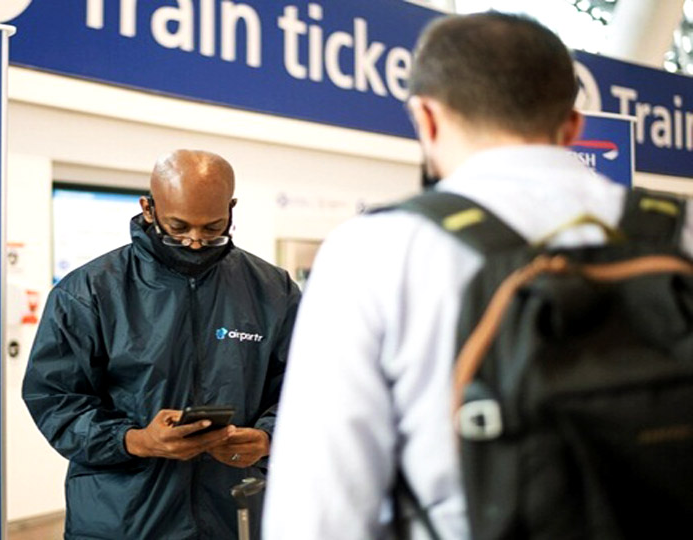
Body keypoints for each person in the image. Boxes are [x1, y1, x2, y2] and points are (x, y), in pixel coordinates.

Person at [263, 12, 693, 540]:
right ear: (573, 124)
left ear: (426, 118)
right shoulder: (676, 232)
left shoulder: (376, 250)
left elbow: (320, 512)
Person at [23, 149, 300, 540]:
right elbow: (55, 399)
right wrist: (135, 441)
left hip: (234, 510)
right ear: (148, 208)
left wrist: (269, 437)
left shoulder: (273, 291)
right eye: (178, 226)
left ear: (231, 208)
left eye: (212, 228)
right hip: (123, 516)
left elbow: (306, 387)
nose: (195, 242)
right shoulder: (89, 292)